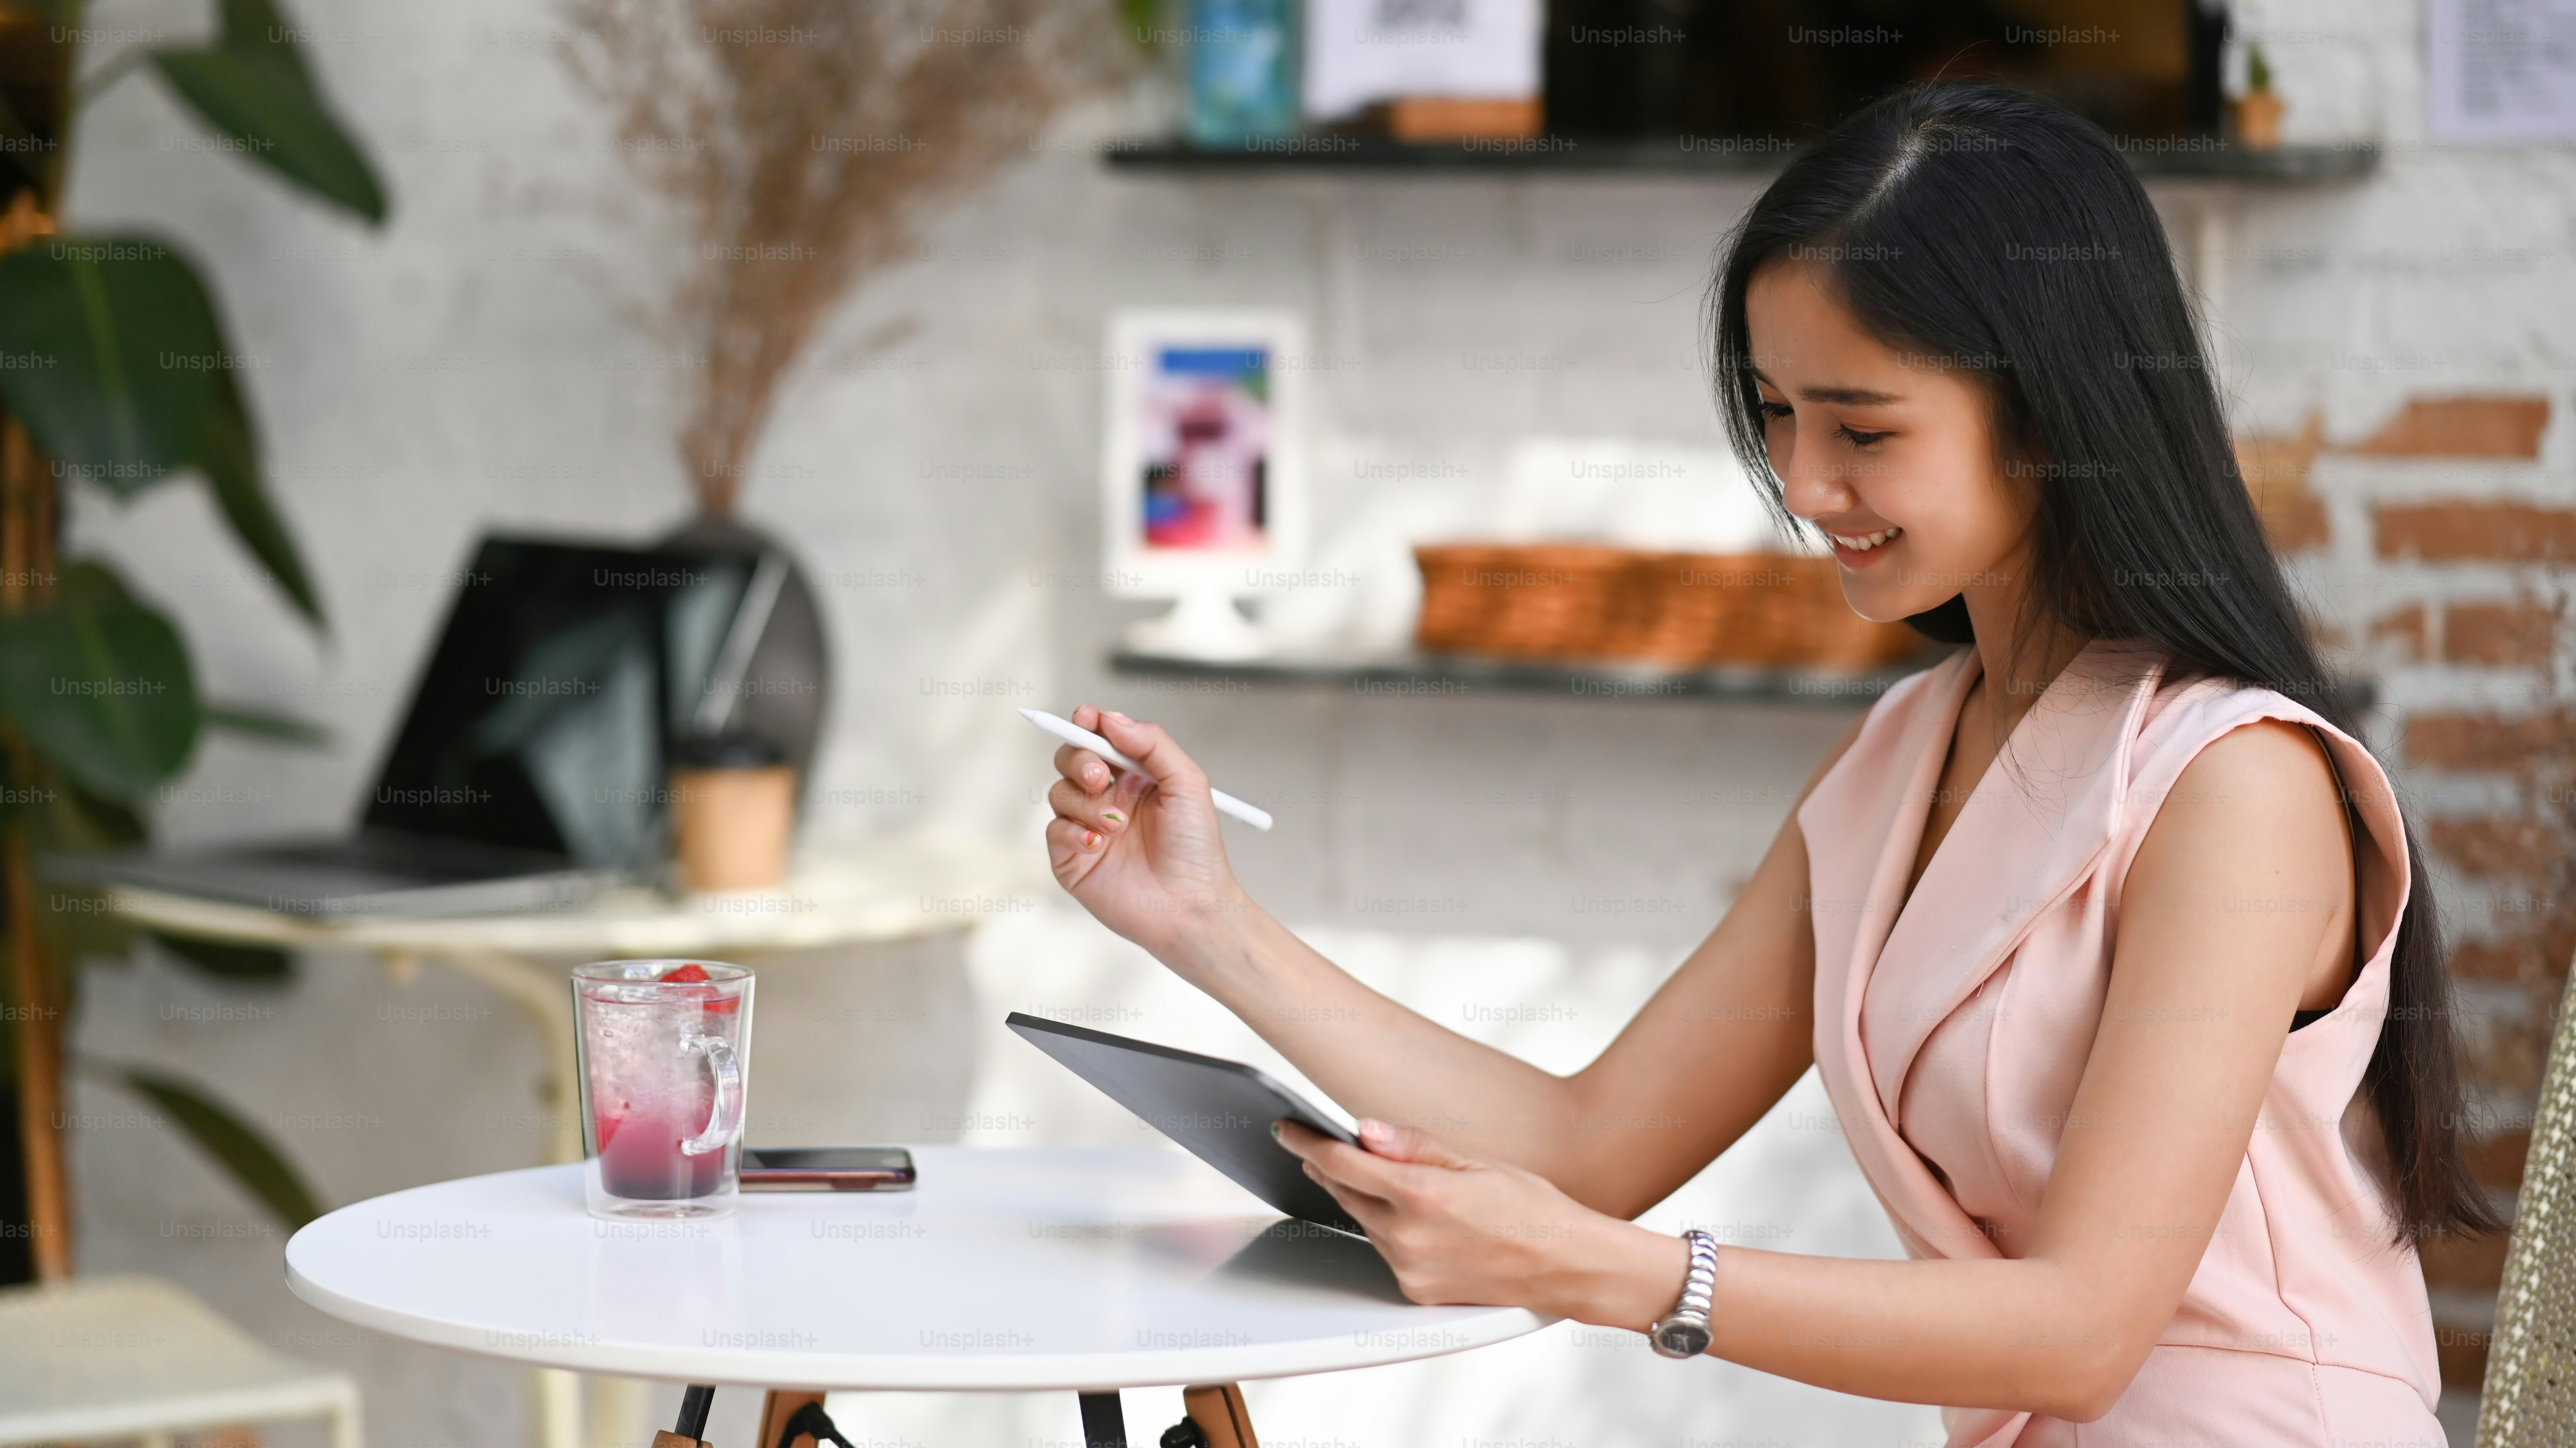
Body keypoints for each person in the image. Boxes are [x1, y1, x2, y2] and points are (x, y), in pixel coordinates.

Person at [1041, 80, 2495, 1445]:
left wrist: (1620, 1275)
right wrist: (1203, 920)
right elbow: (1589, 1140)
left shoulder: (2239, 786)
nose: (1802, 488)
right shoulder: (1903, 751)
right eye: (1779, 414)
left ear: (2056, 424)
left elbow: (2080, 1329)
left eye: (1862, 427)